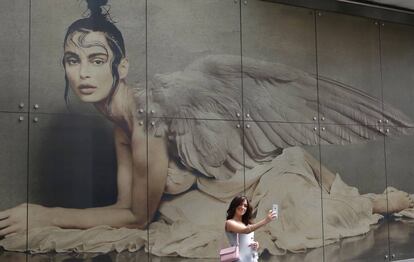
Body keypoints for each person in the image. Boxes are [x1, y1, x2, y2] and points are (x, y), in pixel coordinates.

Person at [0, 0, 414, 257]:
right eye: (73, 60)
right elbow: (128, 211)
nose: (83, 73)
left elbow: (134, 217)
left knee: (308, 222)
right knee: (189, 224)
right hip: (227, 196)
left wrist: (46, 214)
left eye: (95, 58)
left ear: (120, 66)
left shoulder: (147, 117)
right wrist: (47, 219)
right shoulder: (119, 123)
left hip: (270, 180)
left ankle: (377, 203)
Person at [225, 196, 277, 262]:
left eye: (245, 205)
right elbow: (246, 230)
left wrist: (255, 245)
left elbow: (246, 240)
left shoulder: (248, 224)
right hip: (239, 259)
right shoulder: (229, 223)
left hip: (251, 258)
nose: (243, 207)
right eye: (240, 204)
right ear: (234, 205)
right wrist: (266, 220)